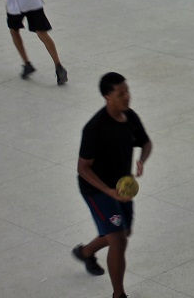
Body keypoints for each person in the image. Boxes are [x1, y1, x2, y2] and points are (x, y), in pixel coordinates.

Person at [73, 72, 152, 298]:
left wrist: (141, 161)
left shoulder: (130, 117)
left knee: (123, 231)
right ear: (108, 97)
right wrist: (107, 191)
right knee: (117, 240)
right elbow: (83, 167)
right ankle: (119, 294)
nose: (127, 96)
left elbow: (146, 143)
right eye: (121, 93)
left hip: (121, 187)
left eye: (127, 91)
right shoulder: (95, 128)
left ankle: (86, 252)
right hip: (97, 190)